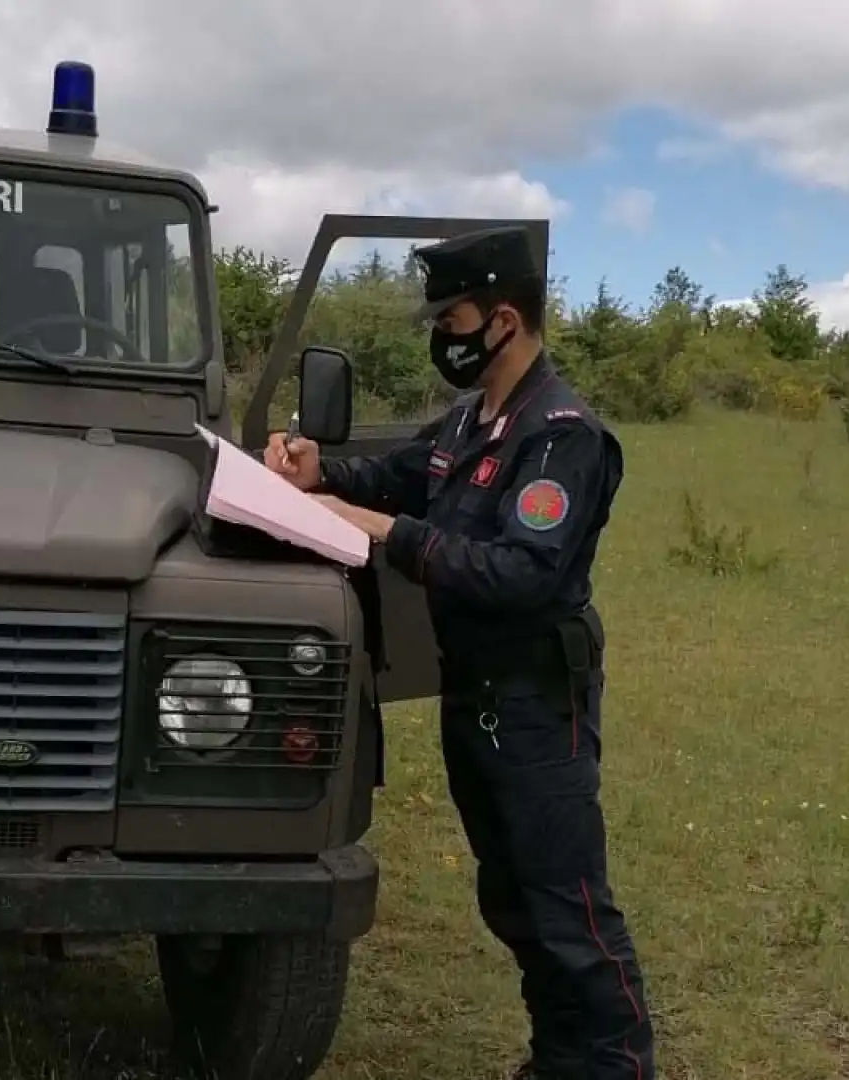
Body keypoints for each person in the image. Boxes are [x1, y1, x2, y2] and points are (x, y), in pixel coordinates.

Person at [263, 225, 654, 1080]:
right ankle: (560, 1059)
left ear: (505, 320)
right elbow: (401, 473)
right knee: (512, 897)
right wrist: (318, 470)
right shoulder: (476, 418)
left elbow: (519, 572)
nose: (442, 333)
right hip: (474, 693)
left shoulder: (561, 436)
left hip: (535, 702)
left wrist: (382, 533)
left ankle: (611, 1066)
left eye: (454, 317)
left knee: (565, 904)